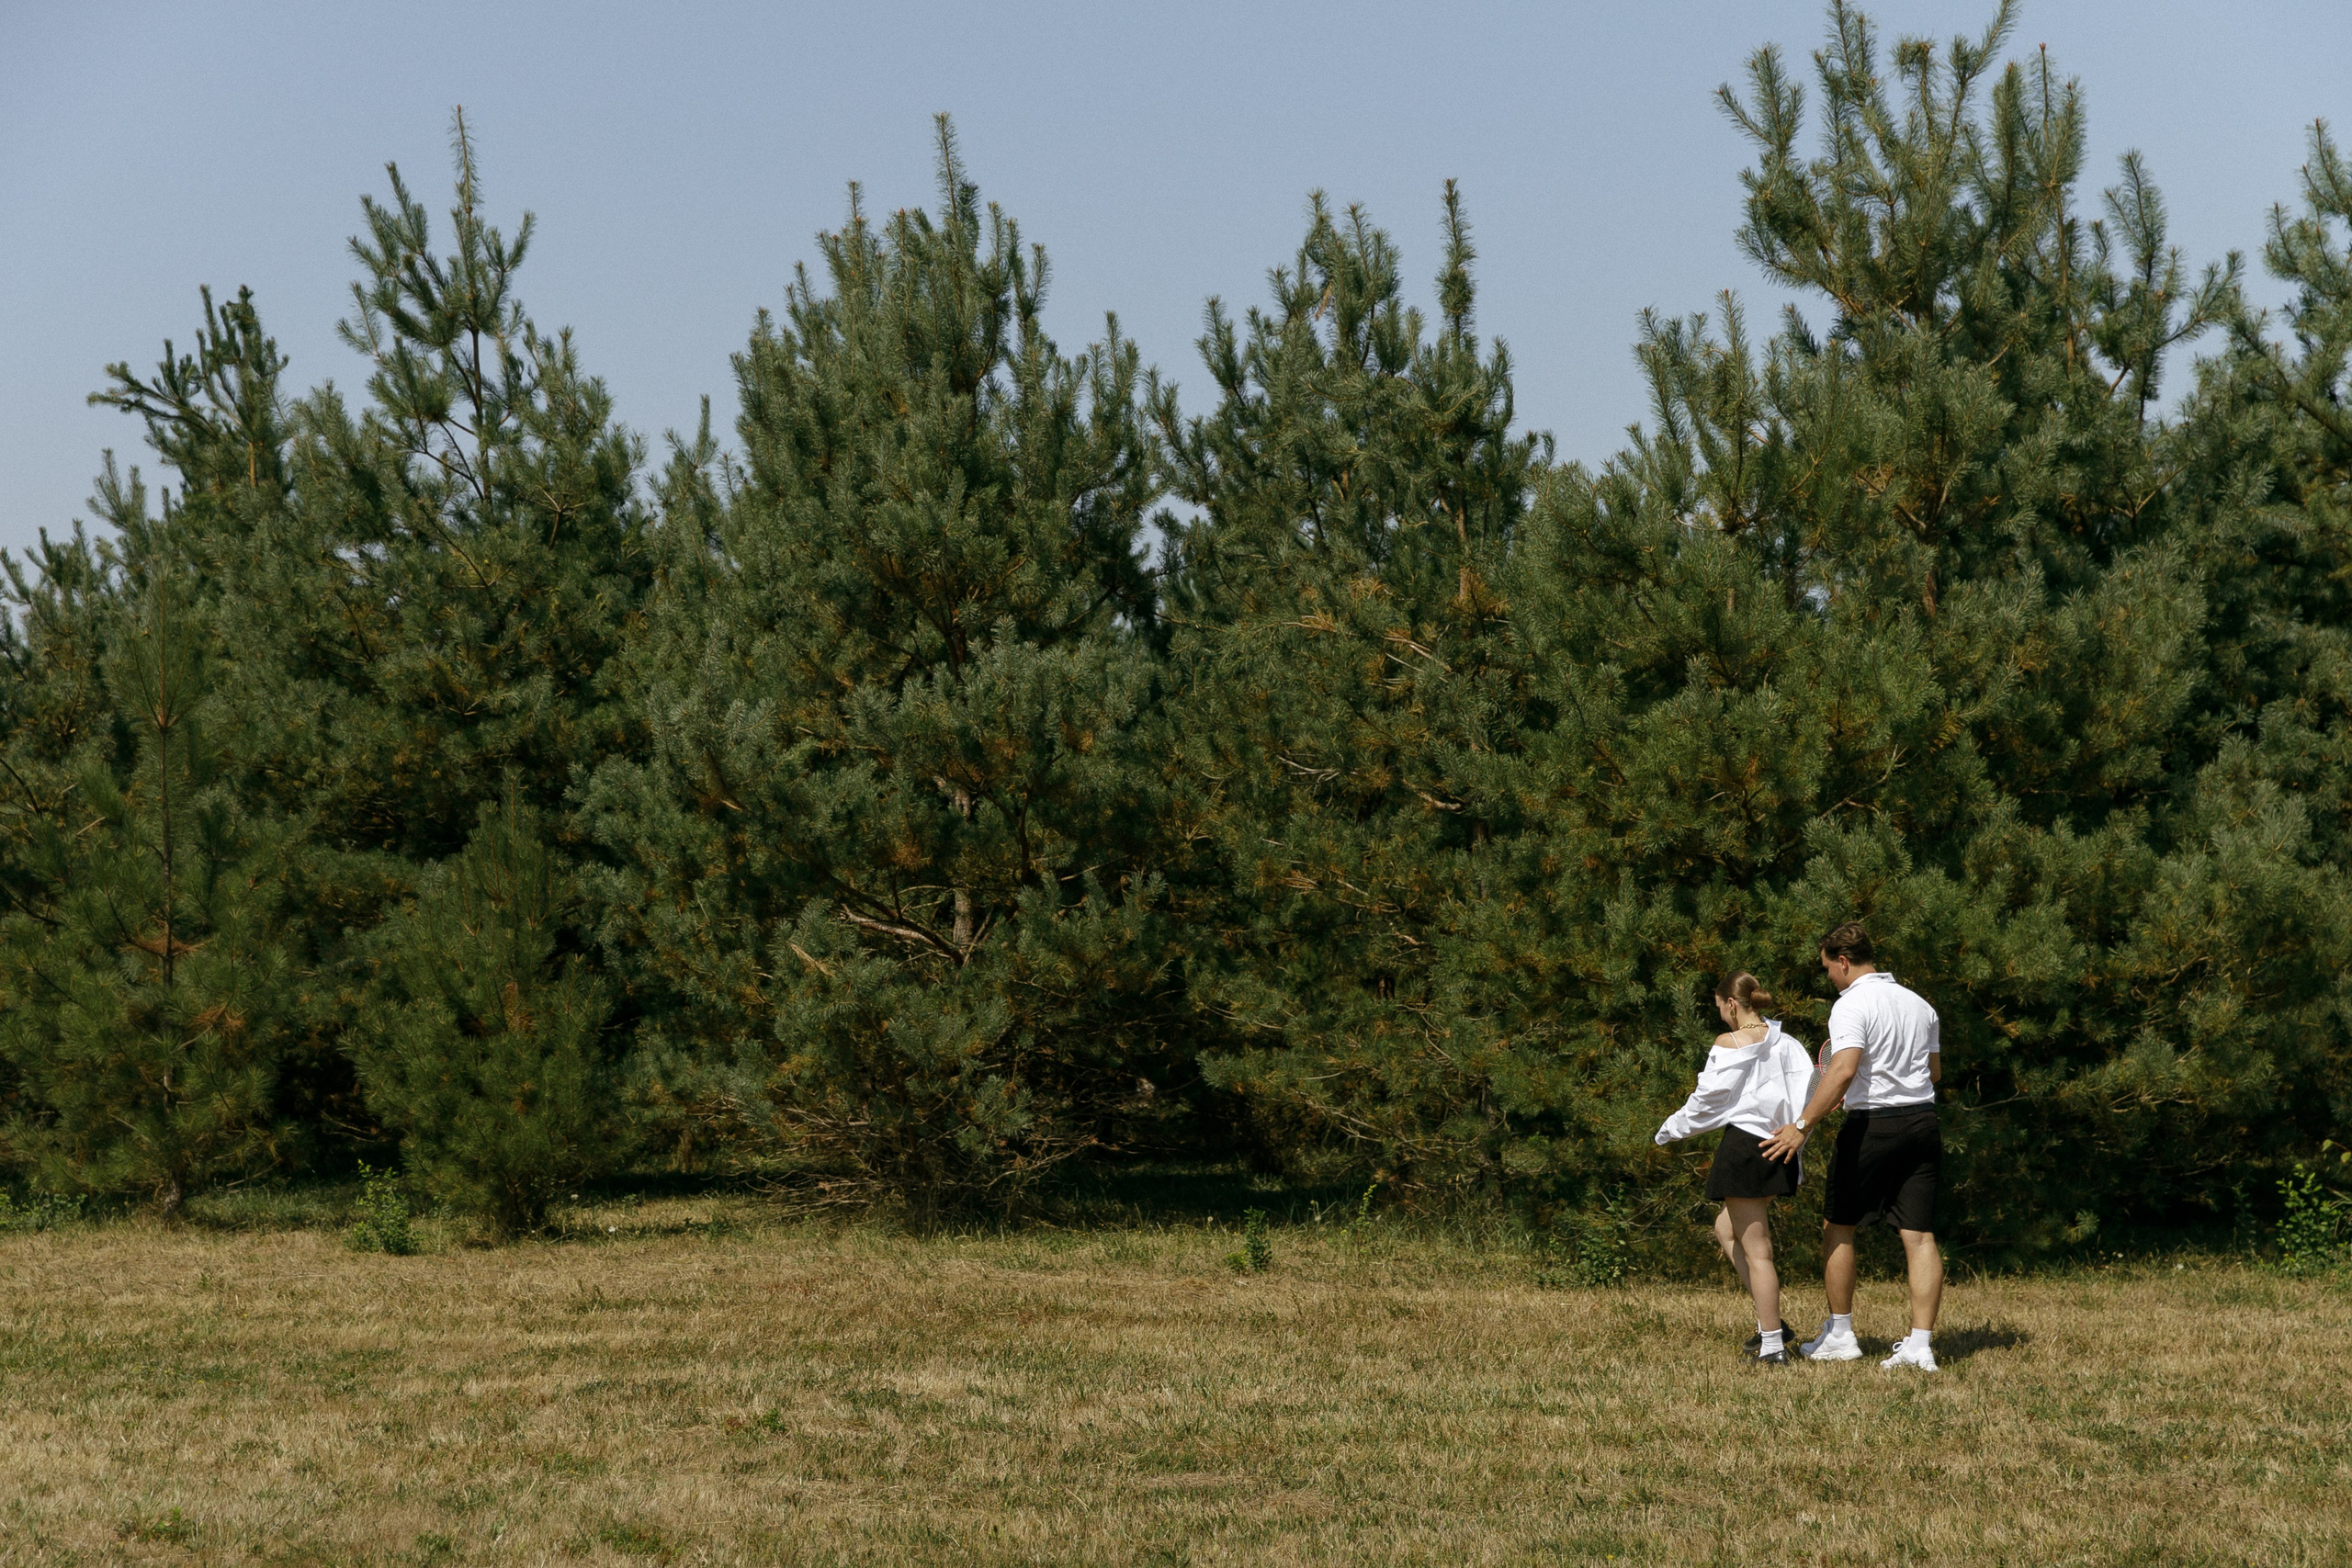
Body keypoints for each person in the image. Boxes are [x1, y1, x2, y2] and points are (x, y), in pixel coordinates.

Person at [1758, 922, 1944, 1371]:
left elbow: (1841, 1071)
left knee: (1838, 1225)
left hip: (1872, 1126)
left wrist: (1801, 1125)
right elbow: (1934, 1074)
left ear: (1843, 961)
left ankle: (1841, 1335)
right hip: (1923, 1122)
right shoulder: (1921, 1005)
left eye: (1828, 968)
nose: (1828, 978)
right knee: (1919, 1236)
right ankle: (1921, 1346)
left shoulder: (1850, 1005)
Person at [1655, 973, 1817, 1364]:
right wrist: (1797, 1138)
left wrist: (1668, 1131)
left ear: (1731, 1003)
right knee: (1725, 1227)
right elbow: (1810, 1094)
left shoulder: (1729, 1043)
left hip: (1745, 1147)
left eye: (1719, 1008)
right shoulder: (1789, 1044)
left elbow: (1706, 1101)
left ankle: (1774, 1343)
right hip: (1779, 1146)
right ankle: (1772, 1321)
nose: (1721, 1017)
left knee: (1758, 1251)